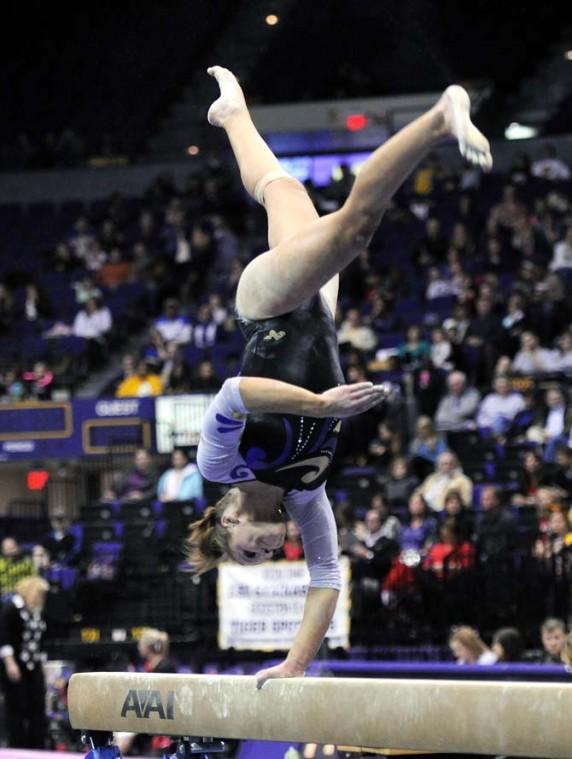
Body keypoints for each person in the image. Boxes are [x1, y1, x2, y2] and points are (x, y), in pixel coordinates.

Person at [189, 65, 491, 686]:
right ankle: (232, 116)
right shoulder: (306, 496)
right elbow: (327, 578)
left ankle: (440, 116)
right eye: (266, 556)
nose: (269, 551)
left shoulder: (221, 466)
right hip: (318, 313)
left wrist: (321, 406)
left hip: (268, 307)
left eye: (250, 549)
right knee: (284, 191)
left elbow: (235, 391)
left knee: (355, 228)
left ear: (228, 522)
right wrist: (296, 664)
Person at [0, 576, 49, 748]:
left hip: (33, 663)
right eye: (39, 594)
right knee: (17, 706)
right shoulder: (11, 608)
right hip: (14, 663)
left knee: (37, 704)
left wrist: (43, 664)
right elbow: (4, 638)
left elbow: (41, 641)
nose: (42, 598)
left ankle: (37, 745)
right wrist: (10, 663)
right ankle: (17, 745)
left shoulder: (37, 611)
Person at [116, 628, 177, 756]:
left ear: (148, 647)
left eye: (140, 644)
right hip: (149, 713)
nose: (138, 648)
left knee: (125, 733)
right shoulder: (150, 666)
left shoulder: (166, 667)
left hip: (161, 715)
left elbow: (164, 698)